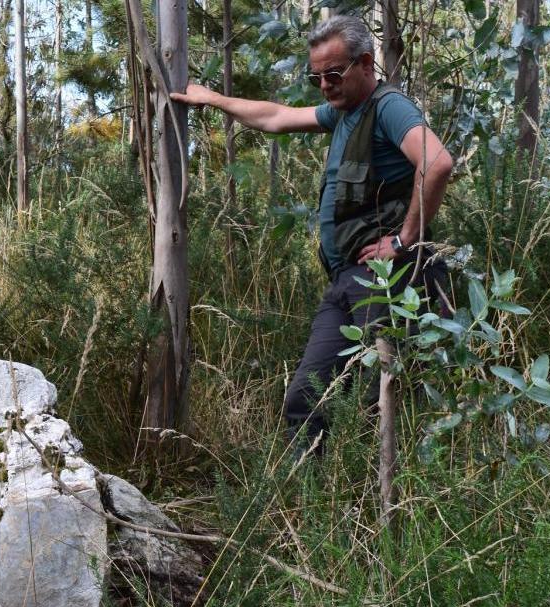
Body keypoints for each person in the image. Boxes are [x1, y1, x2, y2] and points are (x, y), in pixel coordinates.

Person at [171, 15, 454, 454]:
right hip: (345, 280)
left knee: (378, 399)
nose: (324, 85)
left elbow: (437, 163)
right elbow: (276, 117)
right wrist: (212, 99)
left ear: (364, 64)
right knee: (306, 398)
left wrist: (403, 240)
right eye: (316, 76)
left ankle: (382, 510)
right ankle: (314, 508)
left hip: (384, 280)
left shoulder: (388, 107)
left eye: (333, 74)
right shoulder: (343, 113)